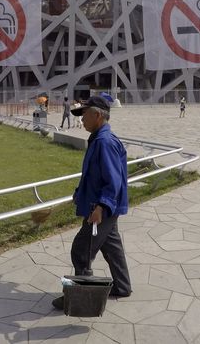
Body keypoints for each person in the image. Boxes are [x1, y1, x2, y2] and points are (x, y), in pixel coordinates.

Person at [52, 96, 132, 310]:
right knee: (112, 247)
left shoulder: (104, 142)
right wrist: (80, 193)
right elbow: (93, 175)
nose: (82, 120)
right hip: (102, 205)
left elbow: (112, 181)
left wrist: (101, 207)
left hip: (102, 209)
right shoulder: (98, 139)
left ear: (97, 115)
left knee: (81, 250)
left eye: (84, 115)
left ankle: (80, 298)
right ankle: (122, 286)